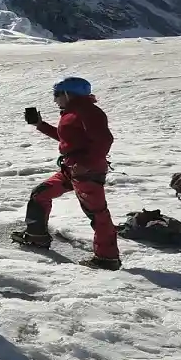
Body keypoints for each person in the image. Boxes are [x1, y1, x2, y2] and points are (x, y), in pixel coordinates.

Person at [15, 77, 121, 270]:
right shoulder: (73, 112)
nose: (55, 100)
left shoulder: (89, 112)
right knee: (41, 193)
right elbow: (69, 139)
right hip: (72, 170)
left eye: (57, 94)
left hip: (86, 172)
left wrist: (86, 164)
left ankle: (107, 258)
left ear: (68, 94)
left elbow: (104, 140)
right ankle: (36, 237)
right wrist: (41, 125)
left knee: (97, 214)